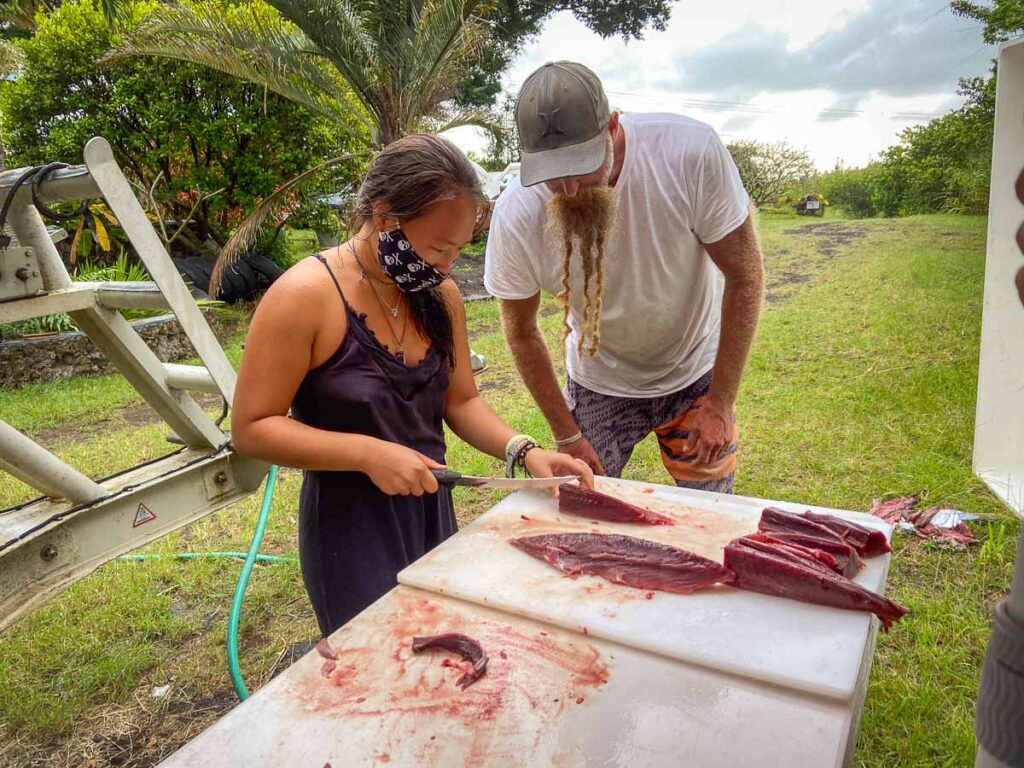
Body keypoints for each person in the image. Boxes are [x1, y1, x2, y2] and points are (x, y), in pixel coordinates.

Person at [231, 134, 593, 636]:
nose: (447, 266)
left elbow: (461, 400)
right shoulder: (304, 297)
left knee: (441, 644)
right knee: (377, 665)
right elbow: (252, 429)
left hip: (429, 505)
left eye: (458, 250)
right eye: (437, 247)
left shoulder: (439, 297)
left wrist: (524, 450)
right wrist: (369, 453)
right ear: (384, 218)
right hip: (349, 527)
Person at [485, 61, 765, 494]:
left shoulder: (690, 153)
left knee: (712, 512)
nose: (570, 188)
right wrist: (568, 434)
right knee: (580, 503)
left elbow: (745, 275)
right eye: (552, 175)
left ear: (612, 126)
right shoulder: (517, 213)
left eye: (580, 166)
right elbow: (521, 333)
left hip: (694, 368)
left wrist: (722, 402)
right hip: (600, 382)